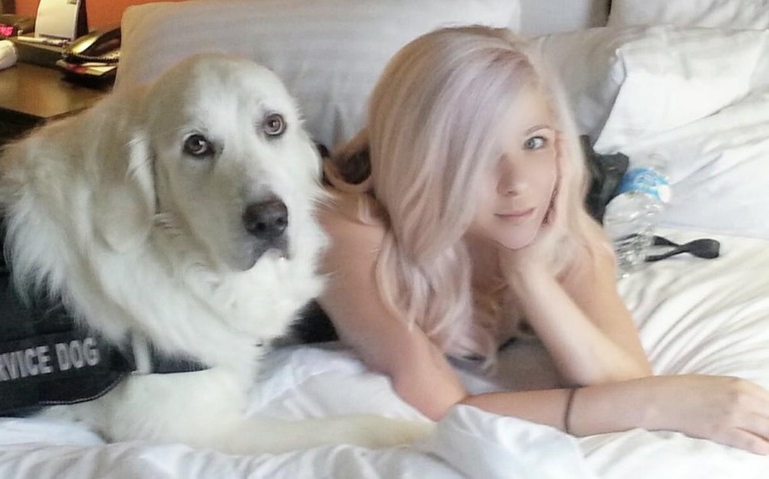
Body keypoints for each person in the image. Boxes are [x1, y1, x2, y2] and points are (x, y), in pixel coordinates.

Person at [315, 25, 769, 454]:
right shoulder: (350, 229)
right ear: (425, 164)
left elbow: (625, 376)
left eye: (532, 142)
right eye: (476, 154)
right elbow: (445, 410)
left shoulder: (556, 211)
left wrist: (529, 275)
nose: (517, 183)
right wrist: (658, 405)